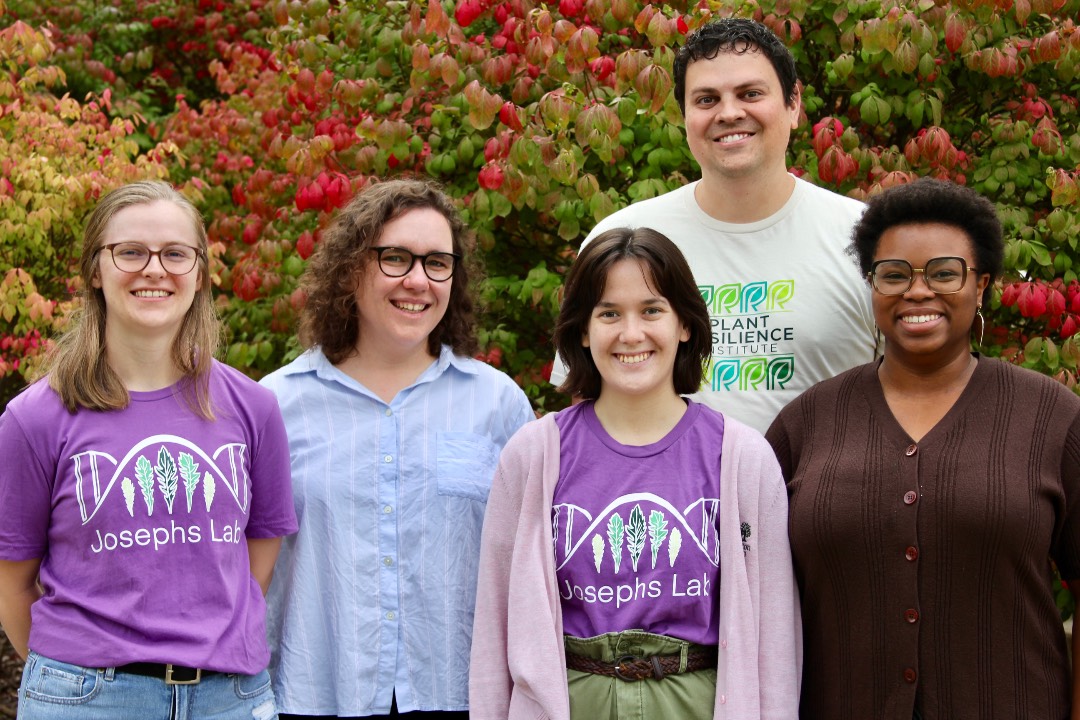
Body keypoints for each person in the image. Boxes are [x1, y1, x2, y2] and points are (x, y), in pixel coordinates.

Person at [766, 177, 1080, 719]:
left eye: (944, 272)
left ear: (981, 285)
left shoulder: (1051, 418)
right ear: (872, 286)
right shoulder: (807, 424)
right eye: (893, 275)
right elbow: (757, 596)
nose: (917, 291)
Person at [471, 227, 801, 720]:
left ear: (685, 324)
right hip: (571, 700)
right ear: (583, 331)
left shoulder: (742, 458)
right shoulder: (533, 456)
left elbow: (776, 637)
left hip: (701, 701)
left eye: (651, 310)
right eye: (609, 314)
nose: (631, 334)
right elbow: (495, 625)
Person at [0, 180, 297, 719]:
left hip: (230, 699)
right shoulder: (35, 418)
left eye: (175, 253)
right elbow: (13, 583)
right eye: (130, 251)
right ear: (96, 269)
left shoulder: (254, 408)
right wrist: (75, 682)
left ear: (200, 272)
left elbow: (256, 562)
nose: (154, 269)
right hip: (86, 700)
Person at [261, 178, 534, 719]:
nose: (418, 280)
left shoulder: (498, 404)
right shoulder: (276, 405)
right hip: (314, 695)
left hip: (461, 696)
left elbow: (529, 566)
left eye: (438, 262)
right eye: (396, 258)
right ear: (351, 267)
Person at [549, 17, 875, 434]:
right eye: (706, 100)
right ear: (684, 114)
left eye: (750, 93)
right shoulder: (622, 238)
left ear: (794, 103)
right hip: (660, 499)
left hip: (819, 498)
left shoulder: (864, 237)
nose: (729, 113)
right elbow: (582, 403)